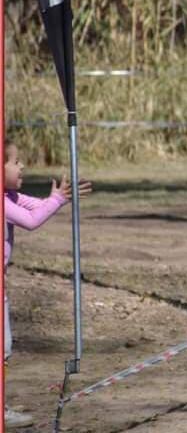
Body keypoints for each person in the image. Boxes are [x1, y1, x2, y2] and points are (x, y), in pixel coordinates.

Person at [3, 141, 92, 429]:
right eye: (15, 162)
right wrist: (56, 201)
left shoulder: (10, 196)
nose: (22, 166)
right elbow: (31, 221)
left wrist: (59, 197)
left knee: (4, 347)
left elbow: (39, 207)